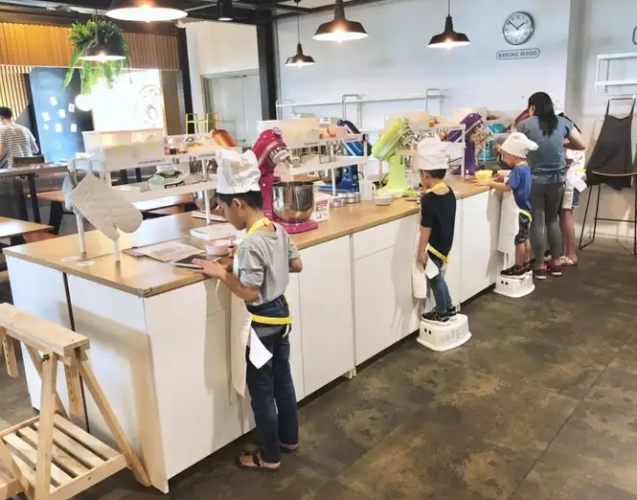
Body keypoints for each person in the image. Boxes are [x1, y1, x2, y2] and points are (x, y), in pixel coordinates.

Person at [194, 150, 303, 472]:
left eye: (223, 207)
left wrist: (222, 273)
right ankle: (289, 439)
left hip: (261, 326)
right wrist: (251, 264)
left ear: (239, 204)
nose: (223, 214)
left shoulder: (251, 244)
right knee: (283, 381)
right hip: (282, 319)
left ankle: (269, 456)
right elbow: (296, 264)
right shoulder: (276, 229)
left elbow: (248, 291)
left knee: (262, 391)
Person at [517, 92, 586, 279]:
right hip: (557, 180)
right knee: (552, 221)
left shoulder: (524, 125)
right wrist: (562, 143)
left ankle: (539, 266)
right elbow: (581, 144)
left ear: (532, 107)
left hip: (535, 180)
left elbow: (513, 149)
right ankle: (556, 264)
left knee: (537, 222)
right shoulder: (563, 122)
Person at [477, 133, 537, 276]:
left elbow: (507, 188)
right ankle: (527, 263)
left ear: (513, 155)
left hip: (519, 211)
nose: (503, 158)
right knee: (525, 237)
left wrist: (489, 183)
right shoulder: (525, 167)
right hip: (527, 210)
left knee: (519, 240)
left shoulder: (518, 170)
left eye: (505, 155)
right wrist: (505, 175)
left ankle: (518, 267)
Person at [416, 137, 457, 324]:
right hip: (445, 244)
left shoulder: (429, 200)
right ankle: (449, 306)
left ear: (425, 174)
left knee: (434, 279)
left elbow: (426, 228)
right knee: (438, 276)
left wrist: (420, 252)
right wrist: (428, 193)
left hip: (433, 247)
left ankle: (441, 312)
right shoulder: (449, 192)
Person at [558, 114, 586, 266]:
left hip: (571, 181)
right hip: (573, 180)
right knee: (564, 217)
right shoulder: (574, 137)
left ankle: (571, 254)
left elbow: (566, 161)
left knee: (566, 216)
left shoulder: (569, 140)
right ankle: (563, 253)